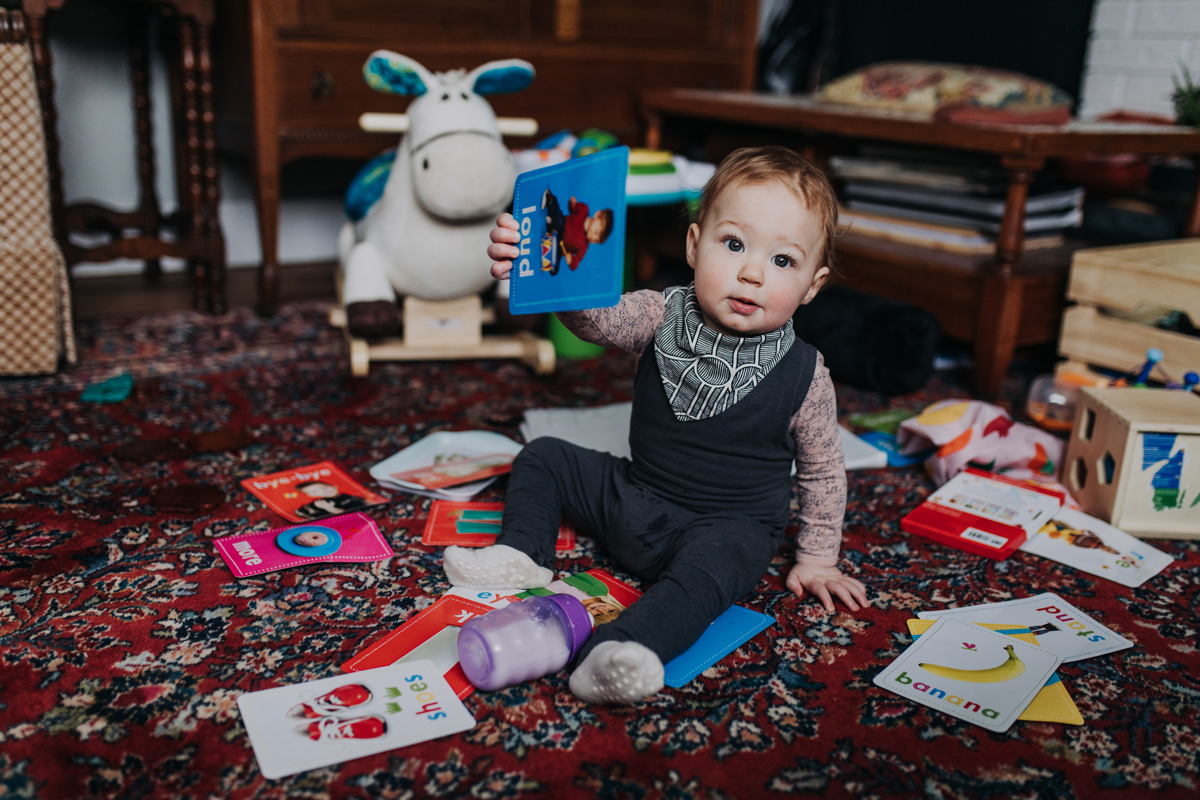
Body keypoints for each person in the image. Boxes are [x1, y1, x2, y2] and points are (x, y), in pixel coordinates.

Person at [446, 146, 869, 704]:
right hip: (635, 497)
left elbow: (822, 470)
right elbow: (596, 320)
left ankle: (620, 650)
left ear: (812, 287)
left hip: (725, 526)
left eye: (782, 261)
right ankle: (522, 554)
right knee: (543, 454)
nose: (751, 273)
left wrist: (817, 556)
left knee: (712, 575)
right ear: (695, 246)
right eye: (734, 244)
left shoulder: (806, 375)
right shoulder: (661, 312)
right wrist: (547, 267)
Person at [542, 187, 613, 274]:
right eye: (595, 232)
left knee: (555, 268)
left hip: (559, 245)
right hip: (561, 225)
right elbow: (572, 209)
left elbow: (576, 263)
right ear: (597, 215)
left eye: (595, 240)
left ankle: (549, 236)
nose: (592, 238)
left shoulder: (584, 247)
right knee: (558, 219)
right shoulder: (584, 209)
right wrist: (572, 203)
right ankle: (550, 200)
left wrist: (571, 261)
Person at [293, 480, 369, 520]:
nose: (324, 491)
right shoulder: (322, 502)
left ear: (334, 486)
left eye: (323, 488)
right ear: (311, 495)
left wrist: (331, 508)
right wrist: (329, 508)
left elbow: (352, 512)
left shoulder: (347, 496)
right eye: (315, 492)